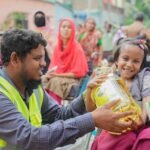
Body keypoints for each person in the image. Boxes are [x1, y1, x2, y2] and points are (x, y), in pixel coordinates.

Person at [0, 29, 133, 150]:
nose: (44, 63)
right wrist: (91, 119)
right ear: (15, 59)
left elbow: (59, 116)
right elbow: (29, 138)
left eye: (43, 57)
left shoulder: (32, 87)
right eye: (37, 58)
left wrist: (87, 95)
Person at [85, 38, 150, 150]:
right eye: (125, 59)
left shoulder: (144, 77)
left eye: (136, 61)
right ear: (116, 60)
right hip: (110, 130)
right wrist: (89, 90)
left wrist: (141, 120)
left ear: (141, 65)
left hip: (134, 129)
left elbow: (147, 100)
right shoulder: (108, 80)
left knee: (128, 138)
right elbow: (91, 111)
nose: (129, 64)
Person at [42, 18, 88, 104]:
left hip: (72, 79)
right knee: (42, 79)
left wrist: (57, 75)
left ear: (73, 30)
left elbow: (78, 73)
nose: (66, 29)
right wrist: (50, 74)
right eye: (63, 27)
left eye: (69, 27)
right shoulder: (57, 47)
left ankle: (55, 110)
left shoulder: (77, 48)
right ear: (59, 29)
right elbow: (53, 67)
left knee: (55, 81)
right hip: (58, 76)